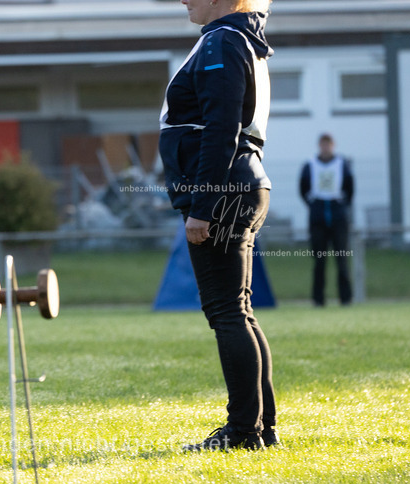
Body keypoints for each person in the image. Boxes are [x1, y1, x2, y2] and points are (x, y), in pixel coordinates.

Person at [158, 0, 278, 451]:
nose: (183, 0)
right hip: (241, 185)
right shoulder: (237, 36)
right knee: (238, 310)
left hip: (223, 193)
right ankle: (259, 428)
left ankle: (244, 432)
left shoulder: (222, 40)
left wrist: (203, 206)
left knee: (228, 312)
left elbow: (221, 128)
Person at [300, 133, 354, 306]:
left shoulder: (342, 164)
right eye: (323, 145)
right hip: (318, 218)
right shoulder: (310, 165)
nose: (326, 148)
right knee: (319, 261)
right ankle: (318, 299)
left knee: (342, 259)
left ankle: (345, 298)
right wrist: (314, 205)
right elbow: (303, 188)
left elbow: (350, 187)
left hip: (338, 218)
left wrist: (342, 206)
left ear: (333, 146)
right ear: (319, 146)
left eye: (328, 145)